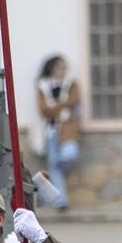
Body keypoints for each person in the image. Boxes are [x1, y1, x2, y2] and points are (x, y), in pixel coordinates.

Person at [36, 55, 81, 210]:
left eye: (64, 67)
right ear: (52, 68)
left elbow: (74, 101)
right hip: (50, 130)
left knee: (69, 155)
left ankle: (63, 175)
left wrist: (54, 106)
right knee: (53, 164)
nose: (63, 71)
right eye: (60, 67)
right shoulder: (43, 85)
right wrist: (62, 105)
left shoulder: (71, 84)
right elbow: (43, 109)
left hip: (67, 129)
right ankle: (61, 202)